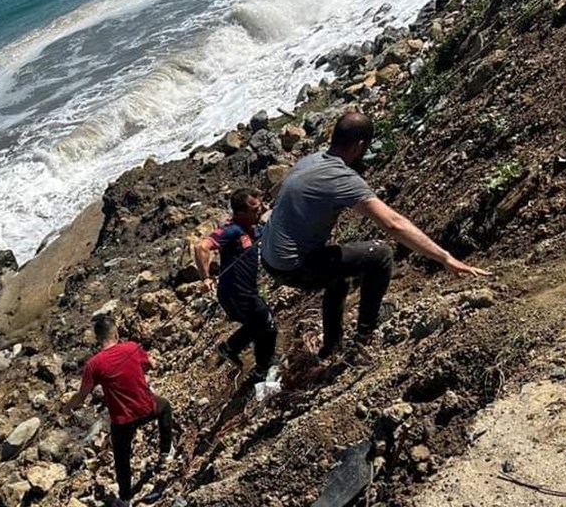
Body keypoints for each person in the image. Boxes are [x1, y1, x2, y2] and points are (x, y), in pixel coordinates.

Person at [261, 111, 489, 359]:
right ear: (359, 146)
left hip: (270, 259)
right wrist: (445, 258)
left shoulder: (310, 161)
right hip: (294, 267)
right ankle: (365, 333)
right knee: (380, 254)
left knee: (339, 273)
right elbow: (393, 224)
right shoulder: (340, 177)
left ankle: (332, 345)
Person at [62, 315, 175, 507]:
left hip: (123, 420)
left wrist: (67, 407)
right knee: (165, 407)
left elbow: (82, 396)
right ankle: (165, 453)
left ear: (98, 339)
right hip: (146, 408)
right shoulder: (132, 347)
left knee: (122, 458)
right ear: (116, 333)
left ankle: (124, 498)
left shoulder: (93, 365)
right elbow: (151, 365)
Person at [193, 187, 277, 381]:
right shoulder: (231, 230)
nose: (260, 210)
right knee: (267, 325)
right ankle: (263, 369)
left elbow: (269, 230)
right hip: (236, 294)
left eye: (260, 206)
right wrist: (205, 277)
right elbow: (201, 246)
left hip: (244, 292)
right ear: (240, 212)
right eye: (254, 208)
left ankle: (229, 348)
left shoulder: (252, 229)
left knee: (255, 324)